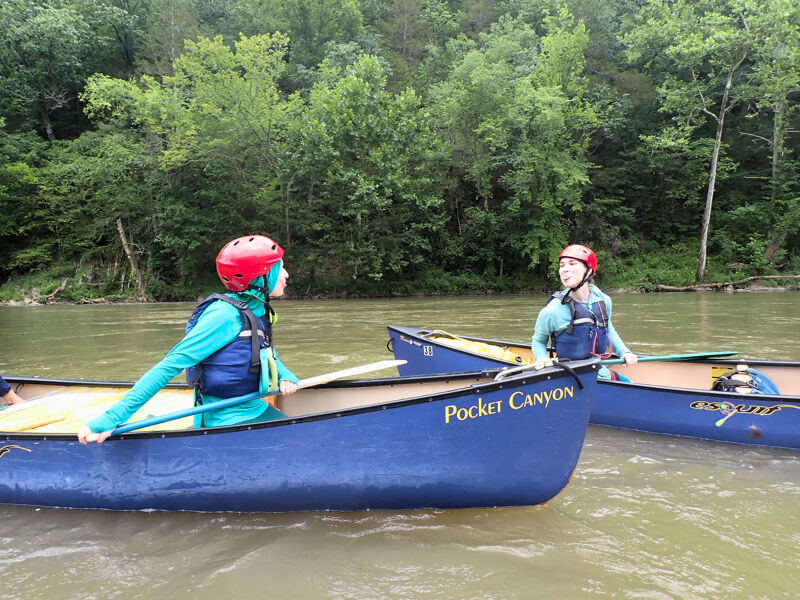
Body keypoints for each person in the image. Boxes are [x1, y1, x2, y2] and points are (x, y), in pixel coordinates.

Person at [78, 235, 299, 444]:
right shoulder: (224, 316)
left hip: (251, 406)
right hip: (224, 418)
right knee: (294, 441)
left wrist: (285, 375)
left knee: (292, 430)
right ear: (260, 277)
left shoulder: (257, 310)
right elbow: (169, 365)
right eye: (280, 268)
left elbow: (265, 352)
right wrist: (113, 417)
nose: (286, 274)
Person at [532, 244, 637, 380]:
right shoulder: (552, 311)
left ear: (589, 270)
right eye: (562, 265)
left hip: (598, 371)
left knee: (629, 384)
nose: (565, 269)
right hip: (568, 376)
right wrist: (542, 359)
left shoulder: (603, 301)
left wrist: (624, 352)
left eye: (572, 264)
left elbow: (607, 328)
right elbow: (538, 341)